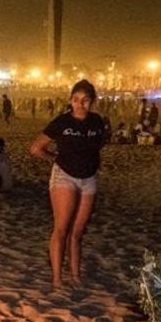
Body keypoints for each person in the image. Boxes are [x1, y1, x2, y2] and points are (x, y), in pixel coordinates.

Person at [30, 79, 107, 289]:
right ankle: (57, 279)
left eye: (85, 100)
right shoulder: (62, 122)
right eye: (76, 100)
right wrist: (54, 158)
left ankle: (75, 275)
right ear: (70, 101)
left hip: (89, 178)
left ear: (93, 102)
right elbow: (36, 148)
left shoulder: (98, 122)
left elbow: (97, 147)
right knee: (62, 229)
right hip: (65, 176)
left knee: (78, 232)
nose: (80, 104)